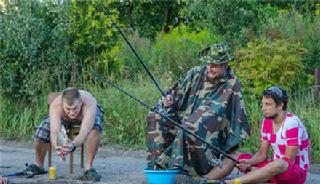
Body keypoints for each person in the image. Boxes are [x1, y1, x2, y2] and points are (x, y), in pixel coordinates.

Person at [146, 44, 251, 182]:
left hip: (210, 133)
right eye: (208, 64)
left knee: (190, 126)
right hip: (182, 119)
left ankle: (179, 170)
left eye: (214, 65)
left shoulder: (232, 83)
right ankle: (157, 167)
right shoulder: (195, 73)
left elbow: (233, 116)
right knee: (155, 116)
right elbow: (174, 94)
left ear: (224, 66)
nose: (209, 68)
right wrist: (168, 101)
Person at [226, 86, 310, 184]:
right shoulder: (267, 121)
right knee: (235, 156)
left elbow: (289, 161)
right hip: (273, 168)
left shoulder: (292, 123)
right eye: (263, 104)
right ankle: (207, 179)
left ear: (280, 105)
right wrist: (249, 162)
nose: (263, 108)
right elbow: (262, 154)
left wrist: (261, 170)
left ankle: (231, 182)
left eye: (268, 104)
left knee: (279, 163)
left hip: (294, 173)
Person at [23, 87, 104, 181]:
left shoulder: (90, 103)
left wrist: (73, 145)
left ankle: (88, 169)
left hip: (86, 118)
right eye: (68, 109)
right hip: (63, 118)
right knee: (42, 130)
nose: (72, 113)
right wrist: (57, 146)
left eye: (75, 108)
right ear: (62, 104)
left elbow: (84, 131)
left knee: (94, 130)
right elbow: (54, 131)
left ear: (81, 103)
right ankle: (38, 165)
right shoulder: (56, 105)